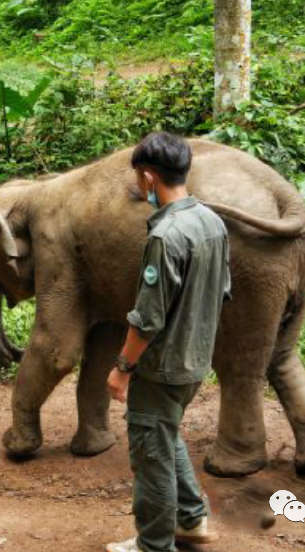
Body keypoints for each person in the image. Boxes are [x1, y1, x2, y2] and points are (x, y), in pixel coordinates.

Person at [105, 132, 231, 552]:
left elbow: (147, 319)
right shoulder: (211, 222)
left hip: (161, 367)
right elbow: (222, 291)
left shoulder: (166, 235)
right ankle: (192, 520)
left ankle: (154, 545)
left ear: (147, 176)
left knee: (150, 454)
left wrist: (122, 369)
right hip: (196, 360)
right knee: (165, 434)